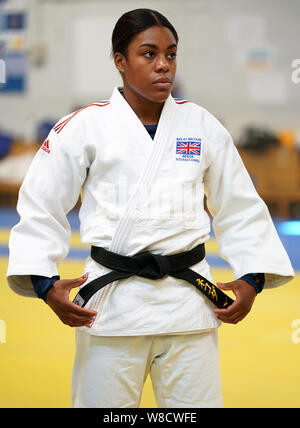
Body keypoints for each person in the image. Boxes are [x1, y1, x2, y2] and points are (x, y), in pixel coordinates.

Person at [7, 8, 294, 408]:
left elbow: (239, 204)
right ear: (120, 61)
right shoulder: (85, 127)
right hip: (110, 307)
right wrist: (43, 282)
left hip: (188, 305)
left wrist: (253, 277)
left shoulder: (201, 124)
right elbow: (41, 203)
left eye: (171, 54)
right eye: (149, 54)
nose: (164, 65)